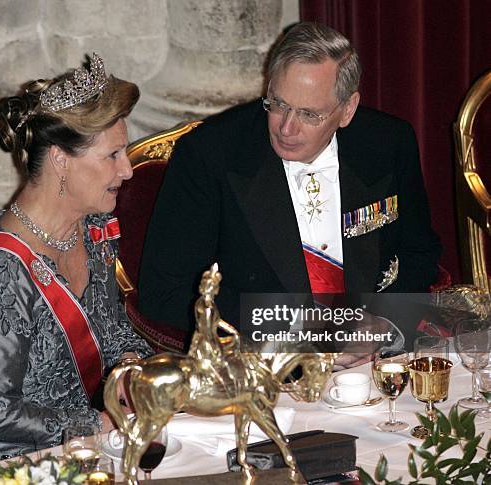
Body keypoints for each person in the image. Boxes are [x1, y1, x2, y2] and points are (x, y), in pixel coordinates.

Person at [139, 22, 441, 363]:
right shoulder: (210, 155)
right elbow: (164, 292)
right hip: (265, 374)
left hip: (378, 364)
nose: (286, 128)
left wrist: (385, 325)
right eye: (278, 104)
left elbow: (420, 253)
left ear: (347, 109)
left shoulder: (388, 144)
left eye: (309, 114)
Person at [0, 54, 153, 470]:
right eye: (113, 155)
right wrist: (94, 422)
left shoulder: (90, 228)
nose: (128, 170)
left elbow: (115, 333)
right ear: (61, 159)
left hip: (79, 447)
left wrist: (131, 374)